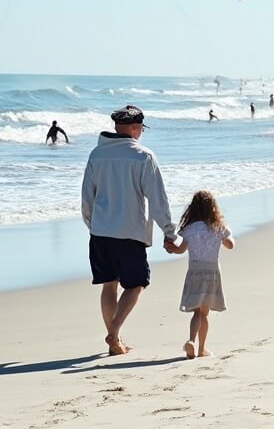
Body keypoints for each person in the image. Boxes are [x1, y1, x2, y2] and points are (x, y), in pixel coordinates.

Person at [81, 105, 177, 356]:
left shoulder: (96, 154)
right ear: (136, 128)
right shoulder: (143, 156)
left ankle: (116, 341)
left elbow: (86, 197)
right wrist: (169, 231)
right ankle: (113, 333)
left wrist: (92, 224)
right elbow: (158, 199)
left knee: (108, 285)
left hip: (100, 232)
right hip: (130, 232)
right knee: (136, 284)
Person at [169, 190, 234, 359]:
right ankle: (201, 349)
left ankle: (191, 340)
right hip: (212, 272)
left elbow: (181, 249)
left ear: (193, 209)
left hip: (195, 271)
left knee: (196, 312)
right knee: (205, 313)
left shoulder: (189, 228)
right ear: (213, 208)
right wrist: (223, 238)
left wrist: (171, 248)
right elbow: (230, 245)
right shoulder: (218, 226)